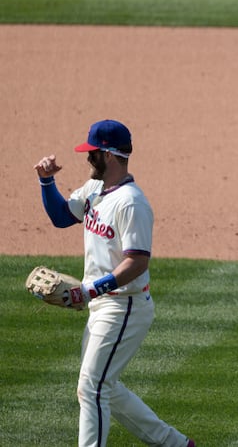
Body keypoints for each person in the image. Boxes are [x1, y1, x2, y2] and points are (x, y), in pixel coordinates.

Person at [34, 120, 195, 447]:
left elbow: (137, 262)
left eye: (92, 153)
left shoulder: (132, 203)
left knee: (91, 387)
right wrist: (46, 181)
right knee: (104, 385)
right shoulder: (95, 189)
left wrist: (89, 289)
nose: (87, 158)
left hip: (124, 307)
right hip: (101, 304)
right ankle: (175, 443)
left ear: (108, 155)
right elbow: (62, 216)